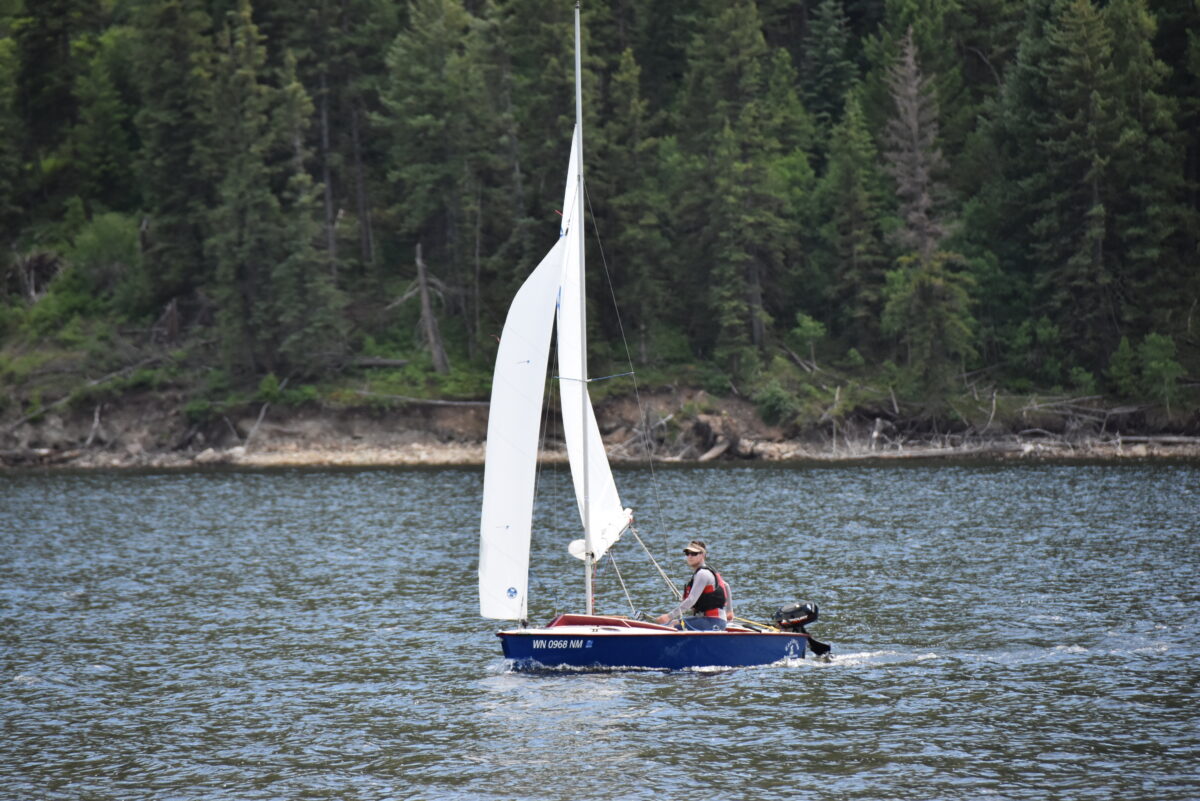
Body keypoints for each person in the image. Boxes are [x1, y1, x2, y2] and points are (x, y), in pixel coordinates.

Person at [656, 540, 733, 630]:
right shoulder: (705, 572)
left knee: (670, 626)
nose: (689, 556)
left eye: (694, 553)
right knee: (672, 623)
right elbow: (726, 585)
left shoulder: (702, 574)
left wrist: (669, 616)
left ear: (702, 555)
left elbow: (691, 600)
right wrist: (729, 611)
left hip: (713, 621)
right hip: (709, 620)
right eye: (687, 553)